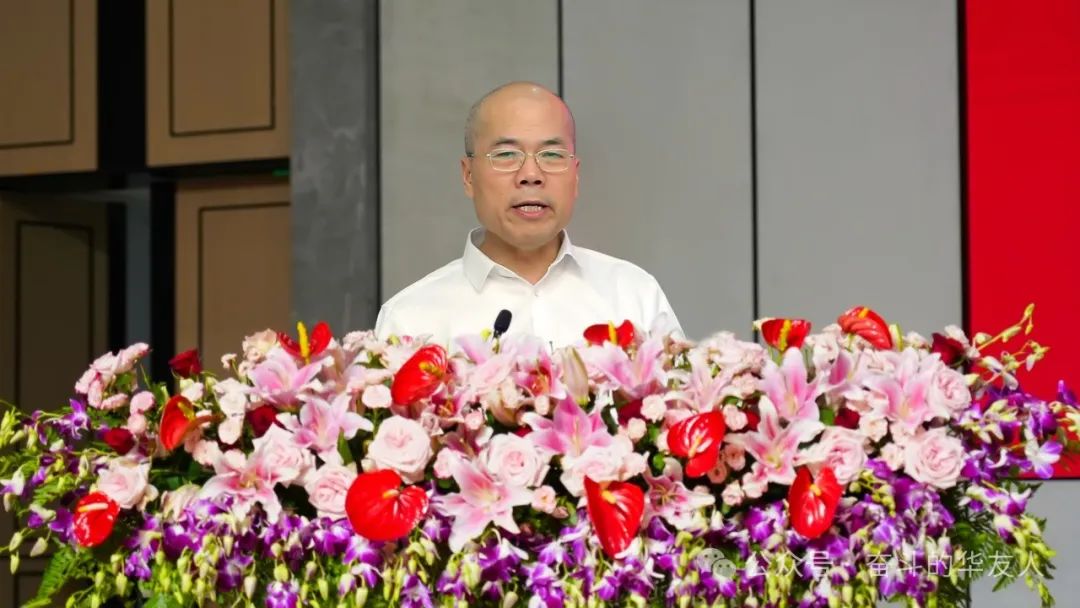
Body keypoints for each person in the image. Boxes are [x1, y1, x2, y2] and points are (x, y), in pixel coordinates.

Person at [375, 81, 681, 347]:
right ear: (468, 176)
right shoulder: (410, 321)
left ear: (575, 176)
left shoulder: (635, 297)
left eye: (552, 155)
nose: (531, 175)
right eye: (506, 154)